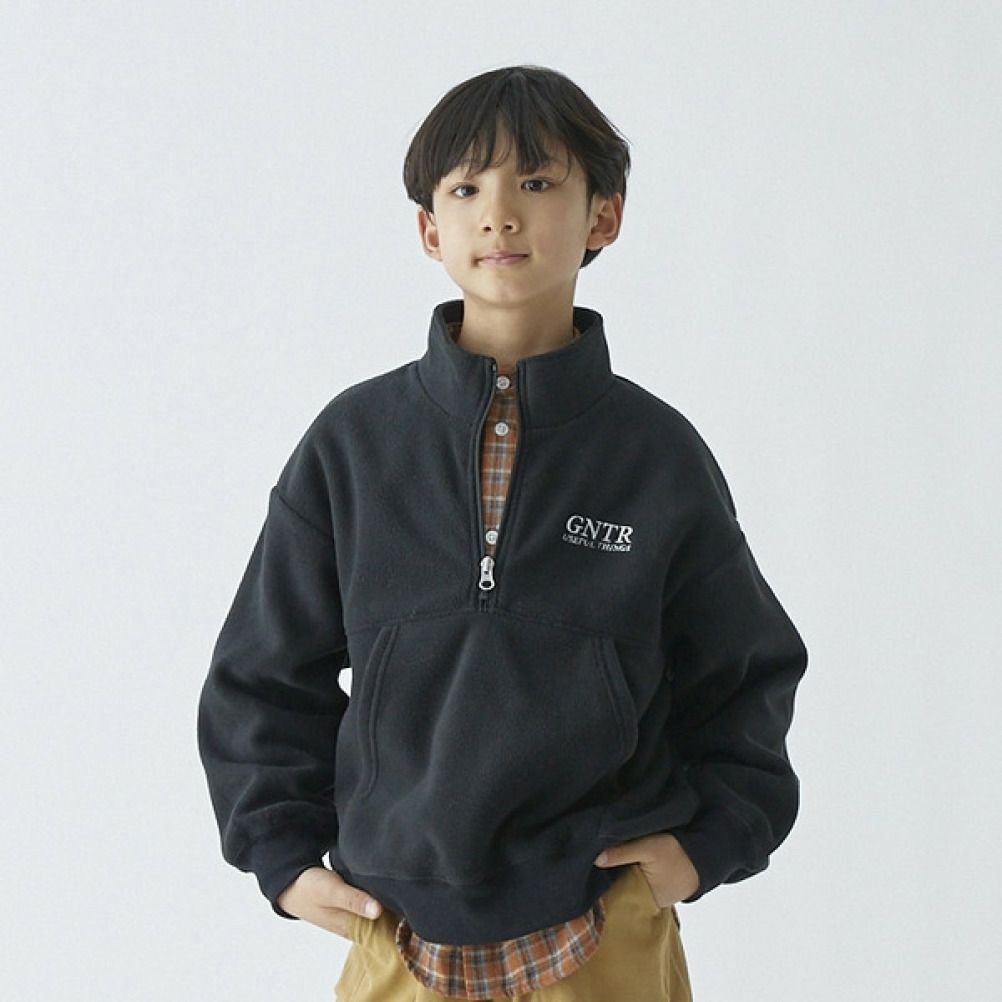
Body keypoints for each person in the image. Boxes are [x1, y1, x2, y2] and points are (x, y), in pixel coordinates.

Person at [197, 64, 809, 1001]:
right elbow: (261, 672)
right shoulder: (353, 445)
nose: (499, 216)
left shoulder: (657, 455)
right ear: (428, 229)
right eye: (465, 189)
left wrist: (708, 843)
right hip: (395, 933)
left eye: (536, 181)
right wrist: (280, 856)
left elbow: (747, 671)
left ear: (603, 217)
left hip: (605, 934)